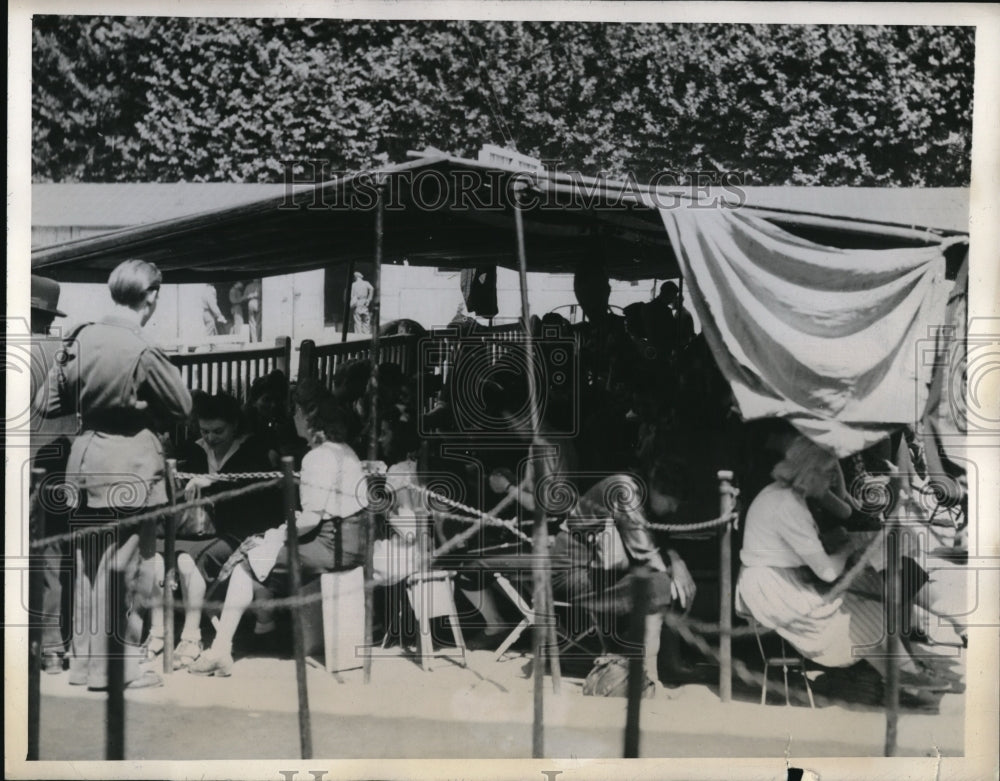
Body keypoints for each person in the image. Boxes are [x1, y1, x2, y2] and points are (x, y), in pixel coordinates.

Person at [188, 385, 421, 676]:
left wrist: (279, 534)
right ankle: (264, 629)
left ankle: (223, 649)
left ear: (310, 418)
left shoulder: (316, 457)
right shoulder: (343, 450)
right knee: (263, 553)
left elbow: (312, 518)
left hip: (332, 544)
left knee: (248, 562)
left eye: (297, 411)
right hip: (358, 541)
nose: (293, 417)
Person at [37, 259, 193, 690]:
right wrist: (140, 408)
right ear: (151, 296)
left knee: (89, 570)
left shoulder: (81, 337)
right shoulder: (141, 348)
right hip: (132, 468)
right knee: (126, 570)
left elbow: (49, 403)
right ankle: (115, 669)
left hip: (84, 466)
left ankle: (87, 667)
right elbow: (182, 407)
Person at [736, 436, 952, 703]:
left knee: (872, 590)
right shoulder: (786, 505)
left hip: (787, 578)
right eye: (827, 473)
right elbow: (828, 573)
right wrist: (847, 549)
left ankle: (903, 675)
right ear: (809, 474)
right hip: (773, 590)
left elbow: (845, 510)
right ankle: (903, 676)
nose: (832, 479)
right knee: (861, 609)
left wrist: (833, 478)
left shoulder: (789, 491)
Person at [148, 393, 280, 668]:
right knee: (156, 556)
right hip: (194, 531)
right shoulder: (192, 450)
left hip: (238, 532)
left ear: (235, 426)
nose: (211, 438)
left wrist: (214, 483)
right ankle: (158, 632)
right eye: (205, 431)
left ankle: (191, 636)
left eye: (218, 431)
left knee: (188, 561)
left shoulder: (253, 451)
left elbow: (259, 497)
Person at [28, 275, 76, 674]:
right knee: (54, 554)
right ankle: (53, 647)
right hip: (65, 465)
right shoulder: (67, 354)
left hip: (21, 464)